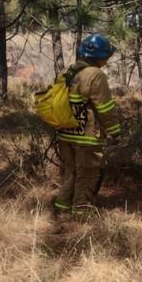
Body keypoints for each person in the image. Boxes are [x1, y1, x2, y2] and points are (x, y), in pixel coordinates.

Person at [52, 33, 123, 216]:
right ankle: (82, 216)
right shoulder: (96, 75)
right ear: (101, 56)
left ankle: (62, 211)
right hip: (86, 135)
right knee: (87, 174)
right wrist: (115, 132)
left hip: (65, 133)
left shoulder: (68, 72)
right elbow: (105, 108)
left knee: (70, 173)